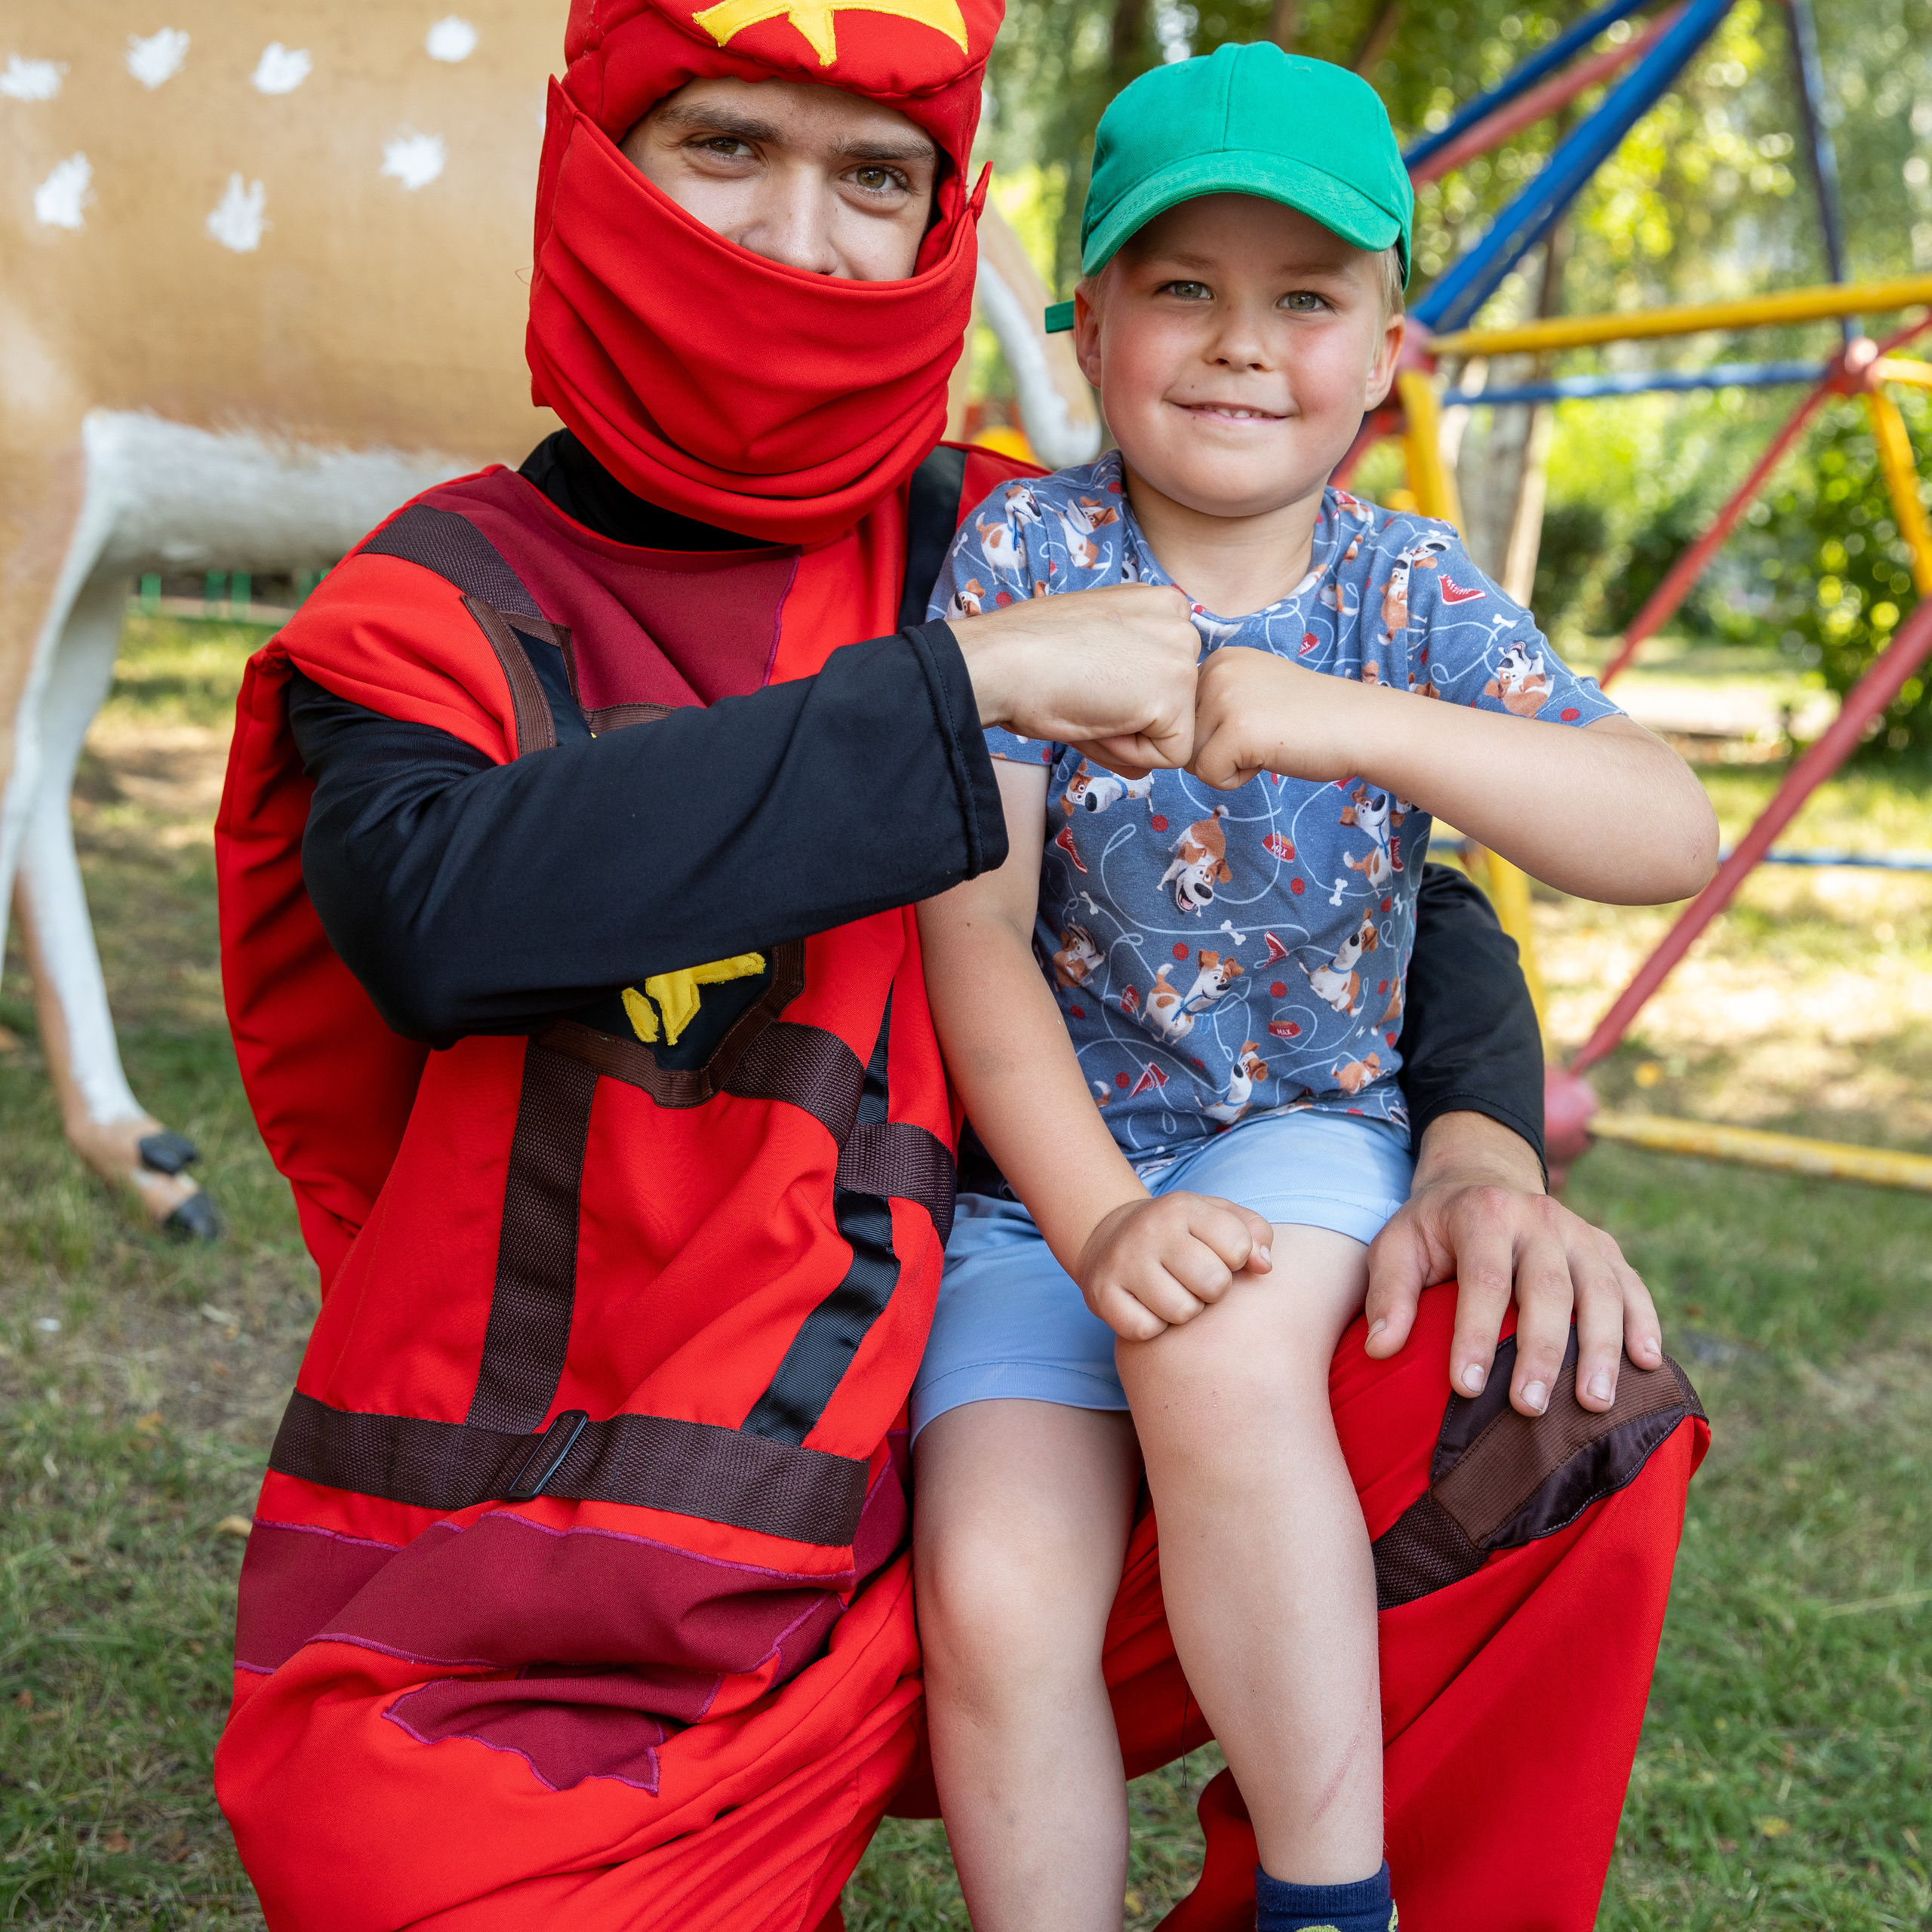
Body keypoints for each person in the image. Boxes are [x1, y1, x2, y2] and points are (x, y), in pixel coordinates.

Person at [209, 5, 1708, 1927]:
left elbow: (1374, 879)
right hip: (612, 1532)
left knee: (1548, 1404)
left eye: (873, 174)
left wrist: (1481, 1148)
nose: (796, 236)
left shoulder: (1012, 527)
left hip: (1103, 1378)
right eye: (725, 146)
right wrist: (956, 692)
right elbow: (437, 911)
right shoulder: (456, 599)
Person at [909, 44, 1718, 1932]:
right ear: (1087, 322)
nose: (1238, 344)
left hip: (1294, 1131)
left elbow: (1662, 826)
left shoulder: (1403, 590)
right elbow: (971, 935)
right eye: (1182, 286)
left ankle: (1327, 1900)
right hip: (1040, 1189)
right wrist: (1094, 1218)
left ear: (1383, 350)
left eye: (1304, 299)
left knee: (1212, 1353)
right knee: (994, 1581)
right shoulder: (1026, 556)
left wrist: (1350, 720)